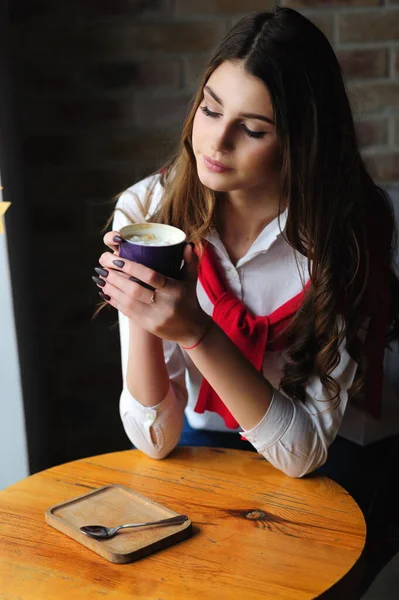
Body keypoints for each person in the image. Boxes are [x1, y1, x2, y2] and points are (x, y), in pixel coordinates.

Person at [92, 7, 399, 594]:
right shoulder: (147, 211)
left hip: (325, 453)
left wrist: (196, 334)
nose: (216, 141)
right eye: (210, 108)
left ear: (300, 141)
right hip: (198, 443)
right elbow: (154, 439)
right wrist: (141, 318)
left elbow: (304, 450)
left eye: (253, 129)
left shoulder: (345, 236)